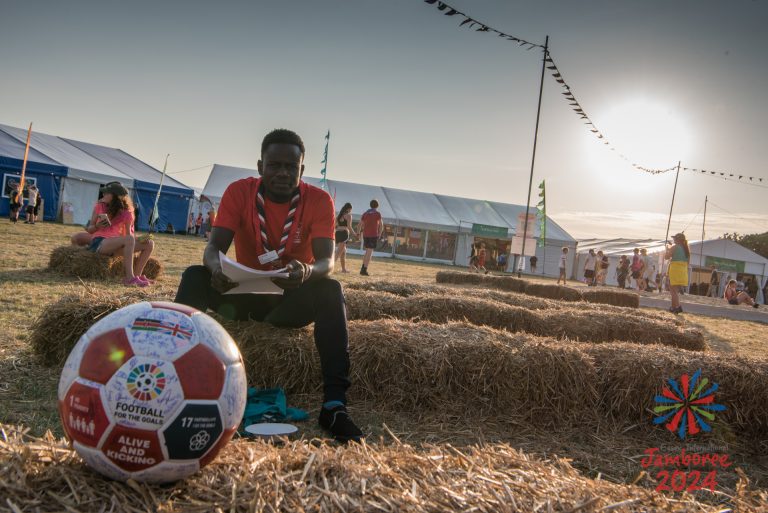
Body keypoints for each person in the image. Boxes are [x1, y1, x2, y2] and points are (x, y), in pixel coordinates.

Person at [174, 129, 363, 442]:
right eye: (275, 165)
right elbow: (213, 248)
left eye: (292, 167)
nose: (283, 173)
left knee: (331, 289)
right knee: (195, 275)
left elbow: (327, 262)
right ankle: (173, 382)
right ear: (260, 166)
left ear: (302, 171)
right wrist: (215, 267)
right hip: (241, 295)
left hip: (288, 300)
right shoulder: (239, 192)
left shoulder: (319, 200)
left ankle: (334, 405)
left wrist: (306, 271)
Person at [85, 181, 155, 287]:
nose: (103, 195)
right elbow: (89, 230)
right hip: (100, 243)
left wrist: (140, 239)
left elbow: (128, 236)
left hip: (116, 245)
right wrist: (97, 226)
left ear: (115, 196)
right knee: (129, 240)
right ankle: (129, 278)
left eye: (107, 193)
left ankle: (137, 276)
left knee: (149, 243)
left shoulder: (126, 212)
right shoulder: (99, 206)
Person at [664, 233, 690, 314]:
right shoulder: (687, 250)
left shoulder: (675, 247)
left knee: (673, 291)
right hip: (683, 271)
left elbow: (666, 257)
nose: (674, 240)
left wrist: (667, 249)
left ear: (678, 240)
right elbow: (688, 263)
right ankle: (673, 307)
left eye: (675, 238)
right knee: (675, 291)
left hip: (675, 270)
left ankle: (678, 307)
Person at [357, 199, 382, 276]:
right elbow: (381, 225)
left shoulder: (365, 213)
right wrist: (380, 233)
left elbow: (359, 225)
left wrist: (358, 233)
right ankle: (364, 270)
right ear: (377, 206)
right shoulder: (377, 214)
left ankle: (363, 268)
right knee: (369, 252)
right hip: (373, 235)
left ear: (370, 205)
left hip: (365, 235)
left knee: (367, 251)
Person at [334, 202, 353, 273]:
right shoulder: (349, 216)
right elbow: (349, 227)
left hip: (337, 234)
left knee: (343, 252)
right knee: (338, 254)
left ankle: (343, 269)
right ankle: (329, 268)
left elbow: (334, 226)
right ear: (349, 209)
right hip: (344, 235)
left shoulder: (339, 215)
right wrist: (354, 234)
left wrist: (339, 227)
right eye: (351, 209)